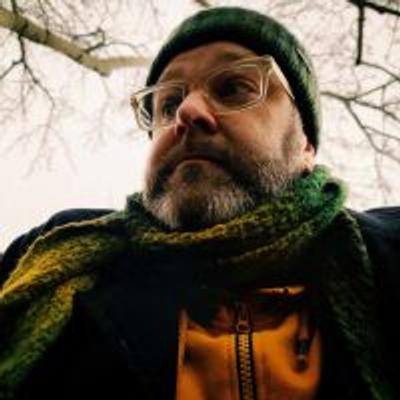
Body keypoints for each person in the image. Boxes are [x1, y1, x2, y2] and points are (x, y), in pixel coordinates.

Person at [0, 6, 399, 400]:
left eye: (232, 88)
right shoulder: (48, 261)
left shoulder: (389, 254)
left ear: (306, 146)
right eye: (168, 105)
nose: (186, 112)